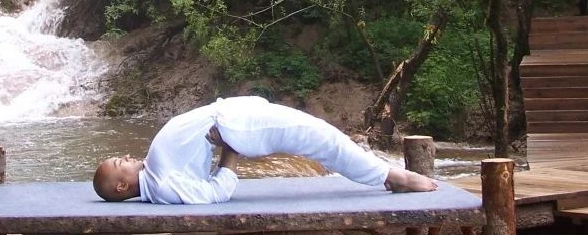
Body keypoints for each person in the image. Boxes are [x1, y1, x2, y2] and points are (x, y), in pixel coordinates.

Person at [93, 95, 439, 204]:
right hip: (236, 127)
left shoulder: (156, 174)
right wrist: (230, 148)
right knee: (320, 137)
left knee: (320, 138)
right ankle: (391, 176)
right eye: (119, 162)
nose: (126, 157)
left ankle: (387, 175)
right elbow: (215, 194)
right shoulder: (163, 185)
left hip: (234, 118)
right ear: (122, 185)